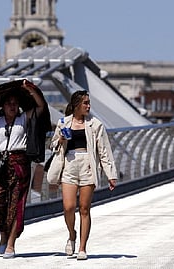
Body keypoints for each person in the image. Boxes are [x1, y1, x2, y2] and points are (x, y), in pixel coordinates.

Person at [0, 80, 49, 259]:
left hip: (20, 164)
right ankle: (3, 235)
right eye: (8, 103)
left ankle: (11, 244)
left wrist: (31, 90)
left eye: (15, 103)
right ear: (3, 106)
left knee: (16, 205)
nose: (12, 106)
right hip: (1, 165)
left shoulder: (24, 118)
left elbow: (40, 107)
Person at [50, 90, 117, 260]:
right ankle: (72, 235)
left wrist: (110, 174)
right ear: (76, 105)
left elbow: (104, 151)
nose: (88, 106)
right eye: (85, 103)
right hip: (69, 166)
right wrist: (61, 140)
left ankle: (82, 248)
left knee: (84, 209)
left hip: (87, 165)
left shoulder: (96, 124)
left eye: (89, 102)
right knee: (68, 207)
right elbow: (52, 146)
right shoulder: (64, 123)